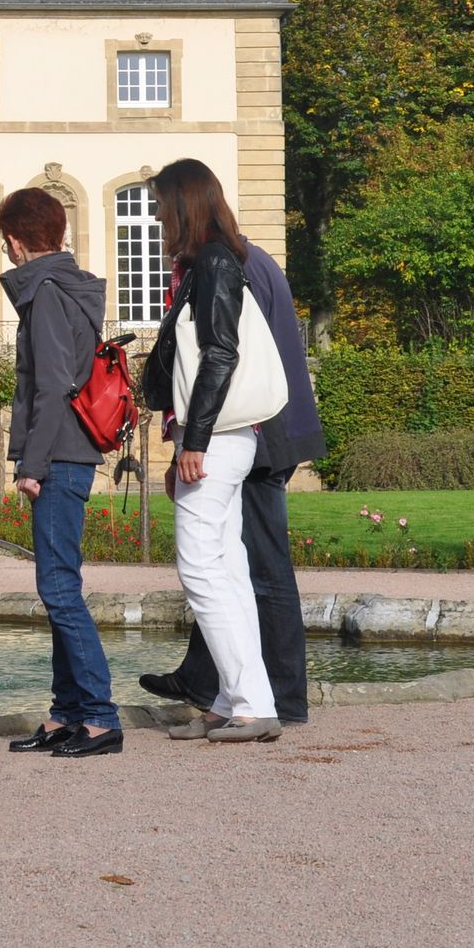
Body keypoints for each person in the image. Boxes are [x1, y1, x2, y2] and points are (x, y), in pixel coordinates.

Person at [140, 221, 325, 726]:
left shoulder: (224, 265)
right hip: (256, 429)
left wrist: (191, 440)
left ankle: (275, 697)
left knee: (253, 567)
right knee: (234, 561)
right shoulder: (245, 259)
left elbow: (222, 357)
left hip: (252, 430)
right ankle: (220, 685)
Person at [0, 189, 122, 758]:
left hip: (60, 456)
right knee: (58, 588)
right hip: (71, 452)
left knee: (59, 590)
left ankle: (99, 716)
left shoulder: (45, 292)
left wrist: (32, 463)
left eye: (6, 239)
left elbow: (51, 385)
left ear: (18, 240)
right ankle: (66, 713)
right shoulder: (69, 286)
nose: (5, 248)